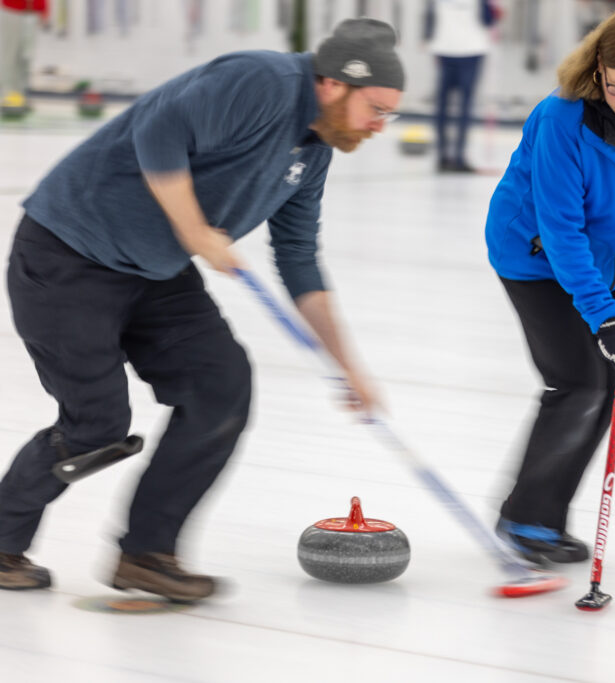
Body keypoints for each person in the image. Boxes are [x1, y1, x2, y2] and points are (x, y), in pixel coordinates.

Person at [0, 18, 403, 601]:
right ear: (336, 84)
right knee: (96, 427)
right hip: (70, 255)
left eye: (389, 115)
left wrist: (348, 366)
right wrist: (194, 229)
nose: (378, 126)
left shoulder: (313, 153)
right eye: (376, 108)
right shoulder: (260, 81)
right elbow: (159, 131)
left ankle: (147, 554)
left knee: (221, 388)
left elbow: (299, 260)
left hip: (157, 273)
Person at [485, 6, 615, 564]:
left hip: (604, 258)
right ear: (598, 67)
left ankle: (541, 516)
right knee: (577, 381)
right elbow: (560, 227)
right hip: (533, 256)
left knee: (608, 382)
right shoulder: (561, 119)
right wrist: (604, 317)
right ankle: (525, 518)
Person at [423, 0, 498, 173]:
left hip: (449, 49)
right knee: (462, 106)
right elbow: (488, 19)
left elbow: (430, 18)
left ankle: (444, 156)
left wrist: (428, 39)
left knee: (444, 106)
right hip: (467, 50)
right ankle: (456, 157)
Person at [0, 0, 47, 112]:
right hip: (12, 10)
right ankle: (8, 95)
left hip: (32, 13)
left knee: (27, 56)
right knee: (10, 54)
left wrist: (44, 9)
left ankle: (22, 95)